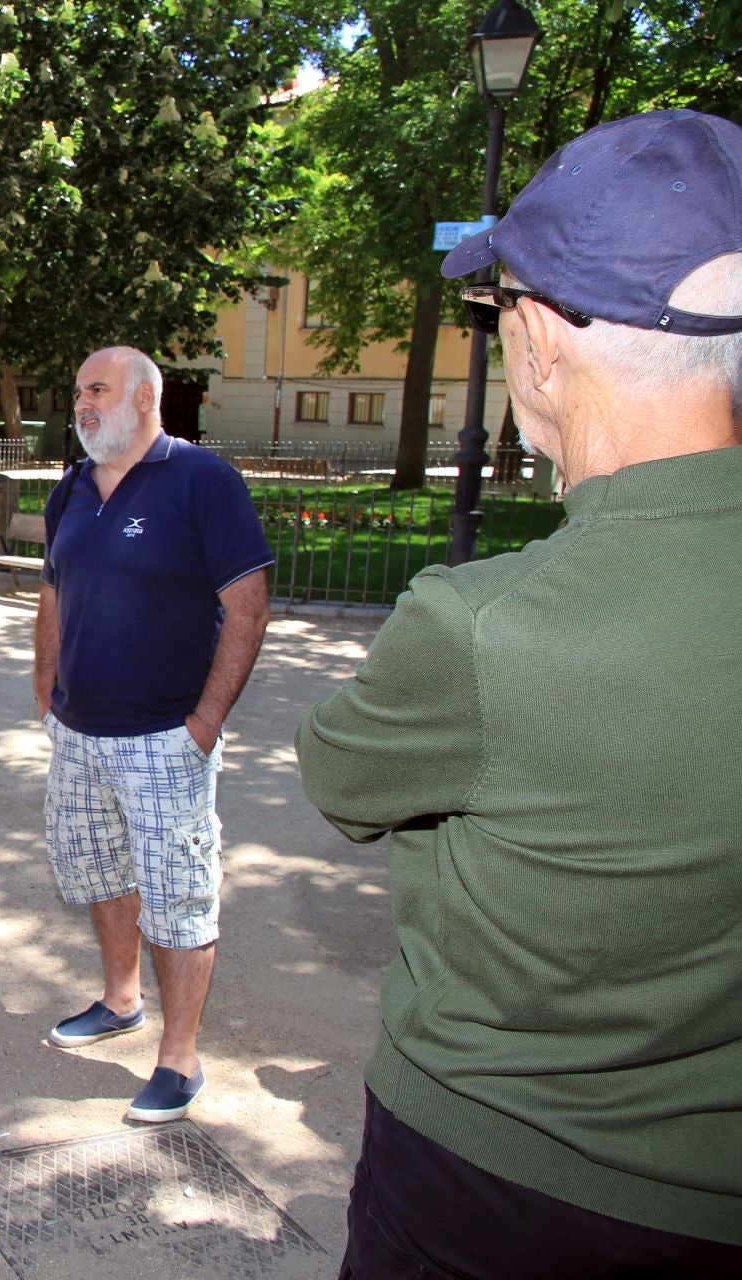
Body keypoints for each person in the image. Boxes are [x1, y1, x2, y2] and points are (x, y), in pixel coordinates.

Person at [299, 109, 742, 1276]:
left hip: (494, 1178)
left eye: (502, 316)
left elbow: (341, 775)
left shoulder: (482, 623)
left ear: (543, 335)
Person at [34, 345, 272, 1122]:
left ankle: (180, 1058)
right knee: (100, 871)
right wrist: (48, 694)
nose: (83, 403)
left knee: (179, 895)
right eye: (78, 391)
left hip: (167, 737)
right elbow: (53, 592)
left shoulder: (203, 480)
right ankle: (119, 1000)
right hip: (79, 732)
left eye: (97, 388)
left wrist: (205, 723)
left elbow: (248, 605)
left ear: (144, 398)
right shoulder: (70, 487)